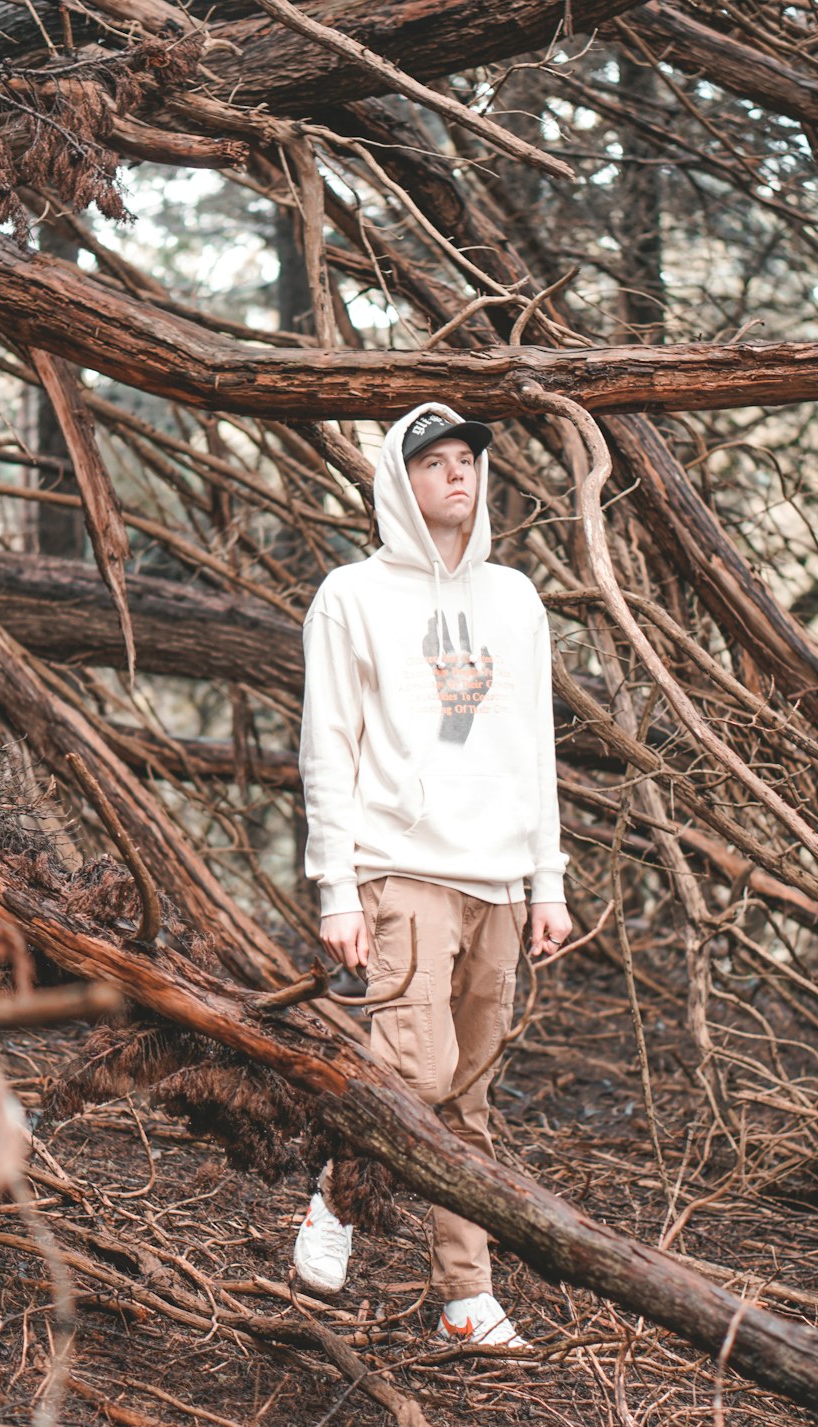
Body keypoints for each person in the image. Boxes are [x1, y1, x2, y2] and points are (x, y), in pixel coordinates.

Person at [293, 403, 571, 1346]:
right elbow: (327, 748)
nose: (460, 475)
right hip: (401, 865)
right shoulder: (351, 595)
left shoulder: (517, 599)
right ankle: (339, 1199)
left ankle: (465, 1296)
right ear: (397, 483)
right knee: (419, 1069)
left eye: (469, 461)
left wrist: (548, 881)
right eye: (437, 462)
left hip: (498, 874)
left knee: (473, 1096)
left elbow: (536, 744)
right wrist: (336, 887)